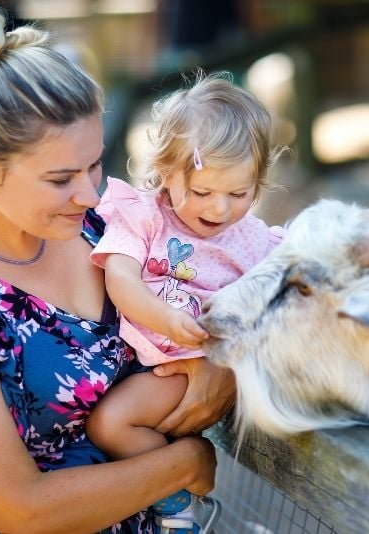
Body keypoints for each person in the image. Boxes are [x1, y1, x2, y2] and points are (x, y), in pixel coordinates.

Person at [0, 8, 235, 534]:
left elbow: (213, 280)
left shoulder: (100, 223)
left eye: (94, 163)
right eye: (62, 177)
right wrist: (184, 464)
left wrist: (218, 362)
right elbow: (22, 509)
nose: (90, 193)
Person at [85, 72, 286, 533]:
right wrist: (167, 319)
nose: (219, 210)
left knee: (110, 425)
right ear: (167, 173)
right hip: (156, 349)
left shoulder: (257, 243)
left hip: (187, 366)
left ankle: (176, 504)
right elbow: (121, 277)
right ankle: (175, 479)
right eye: (202, 193)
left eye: (239, 194)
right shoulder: (145, 217)